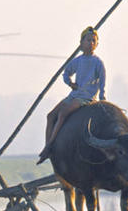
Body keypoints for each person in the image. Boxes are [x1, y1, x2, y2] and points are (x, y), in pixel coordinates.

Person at [37, 26, 106, 164]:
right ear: (81, 43)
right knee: (51, 116)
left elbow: (102, 82)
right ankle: (47, 146)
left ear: (97, 44)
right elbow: (66, 73)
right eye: (88, 40)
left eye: (93, 41)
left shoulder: (97, 63)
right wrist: (70, 83)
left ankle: (50, 145)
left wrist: (102, 97)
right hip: (74, 95)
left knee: (63, 113)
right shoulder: (78, 61)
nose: (91, 43)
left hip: (86, 97)